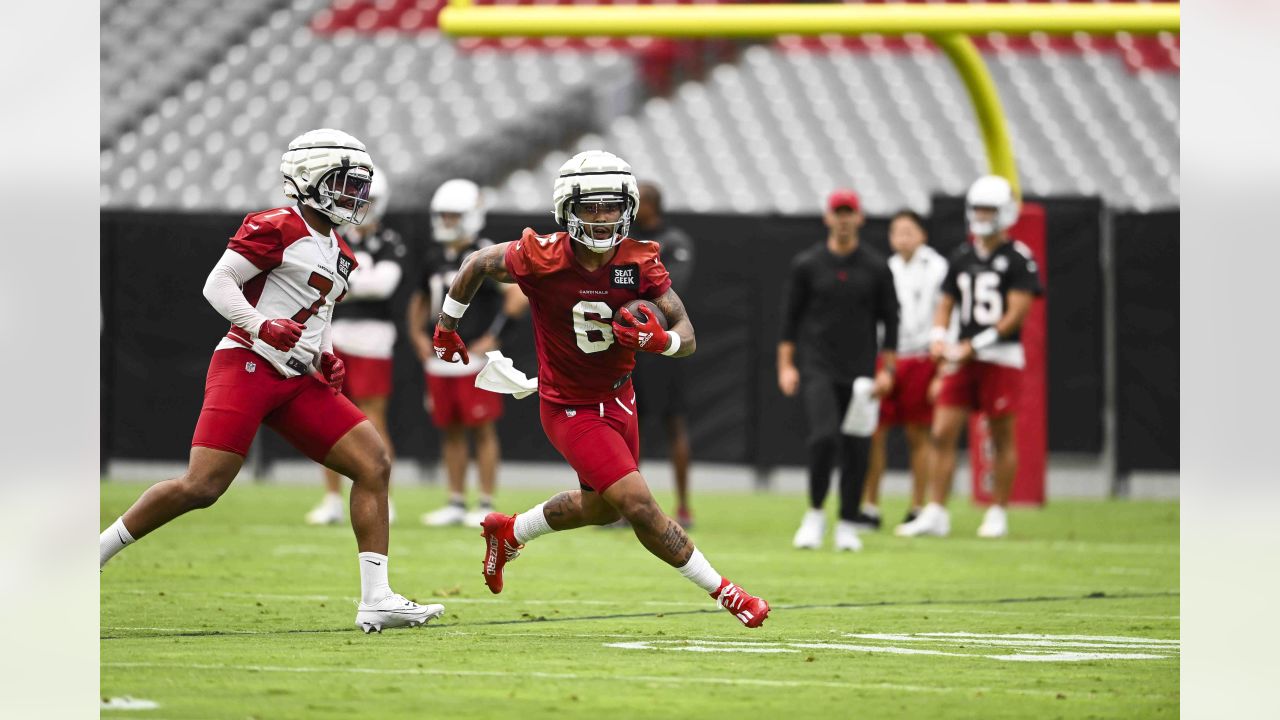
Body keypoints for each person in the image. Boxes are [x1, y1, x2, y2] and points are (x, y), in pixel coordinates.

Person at [98, 129, 444, 634]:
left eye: (359, 185)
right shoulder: (277, 225)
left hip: (297, 377)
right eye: (345, 183)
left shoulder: (341, 252)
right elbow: (218, 283)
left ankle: (377, 599)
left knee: (373, 463)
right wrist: (260, 325)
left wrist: (325, 356)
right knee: (203, 485)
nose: (356, 195)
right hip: (248, 363)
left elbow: (316, 314)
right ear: (310, 180)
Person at [431, 150, 770, 627]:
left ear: (626, 207)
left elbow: (688, 337)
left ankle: (509, 532)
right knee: (637, 505)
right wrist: (447, 326)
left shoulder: (640, 259)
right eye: (590, 206)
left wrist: (662, 340)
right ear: (567, 208)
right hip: (570, 406)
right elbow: (476, 263)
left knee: (598, 507)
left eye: (610, 206)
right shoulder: (541, 255)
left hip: (621, 396)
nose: (602, 216)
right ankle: (728, 593)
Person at [895, 175, 1044, 539]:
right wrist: (938, 337)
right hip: (963, 357)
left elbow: (1015, 316)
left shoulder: (1019, 259)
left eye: (989, 209)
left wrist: (973, 345)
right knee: (943, 430)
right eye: (977, 208)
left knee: (1000, 434)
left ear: (1005, 212)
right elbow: (946, 304)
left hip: (1001, 355)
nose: (981, 215)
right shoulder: (962, 256)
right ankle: (936, 511)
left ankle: (997, 511)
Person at [778, 189, 899, 552]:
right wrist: (786, 365)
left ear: (859, 218)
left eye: (850, 213)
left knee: (858, 447)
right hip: (818, 367)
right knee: (824, 436)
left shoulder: (877, 267)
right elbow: (790, 320)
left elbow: (891, 321)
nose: (844, 219)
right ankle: (815, 514)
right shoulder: (807, 264)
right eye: (838, 212)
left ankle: (847, 521)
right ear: (828, 218)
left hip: (861, 372)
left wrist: (887, 370)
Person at [408, 179, 528, 528]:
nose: (446, 221)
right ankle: (456, 500)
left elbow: (518, 297)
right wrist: (417, 335)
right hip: (442, 359)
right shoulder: (434, 255)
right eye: (442, 215)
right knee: (451, 430)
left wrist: (493, 338)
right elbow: (419, 299)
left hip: (474, 358)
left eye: (453, 215)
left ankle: (486, 500)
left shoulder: (486, 252)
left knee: (483, 429)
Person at [306, 170, 408, 526]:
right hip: (330, 332)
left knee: (374, 418)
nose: (362, 208)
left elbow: (381, 286)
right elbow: (320, 280)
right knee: (326, 416)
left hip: (373, 337)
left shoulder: (390, 240)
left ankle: (384, 497)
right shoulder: (334, 236)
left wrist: (343, 280)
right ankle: (332, 497)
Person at [857, 210, 949, 530]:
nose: (903, 237)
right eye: (897, 231)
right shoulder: (887, 268)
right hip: (890, 357)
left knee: (918, 434)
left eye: (909, 231)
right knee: (875, 432)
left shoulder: (936, 267)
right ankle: (870, 505)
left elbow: (946, 312)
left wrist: (942, 365)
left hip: (923, 356)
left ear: (922, 234)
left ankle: (917, 505)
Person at [628, 182, 696, 529]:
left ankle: (684, 506)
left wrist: (636, 300)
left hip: (663, 347)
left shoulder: (674, 241)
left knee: (674, 423)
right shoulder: (625, 243)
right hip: (629, 349)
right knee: (626, 425)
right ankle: (626, 505)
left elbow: (672, 292)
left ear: (649, 204)